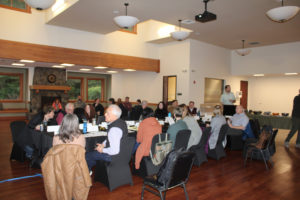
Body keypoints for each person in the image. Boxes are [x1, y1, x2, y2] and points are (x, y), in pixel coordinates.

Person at [85, 105, 128, 171]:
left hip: (113, 156)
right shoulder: (122, 122)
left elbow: (114, 151)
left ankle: (87, 173)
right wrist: (103, 144)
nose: (105, 114)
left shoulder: (114, 129)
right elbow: (110, 139)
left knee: (87, 155)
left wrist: (102, 150)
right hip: (123, 153)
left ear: (114, 115)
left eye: (108, 113)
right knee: (93, 154)